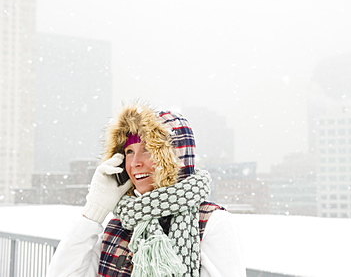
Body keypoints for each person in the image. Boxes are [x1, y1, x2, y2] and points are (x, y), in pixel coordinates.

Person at [46, 102, 245, 277]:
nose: (134, 163)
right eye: (129, 152)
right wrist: (94, 211)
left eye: (148, 150)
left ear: (175, 157)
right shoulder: (120, 223)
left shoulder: (210, 222)